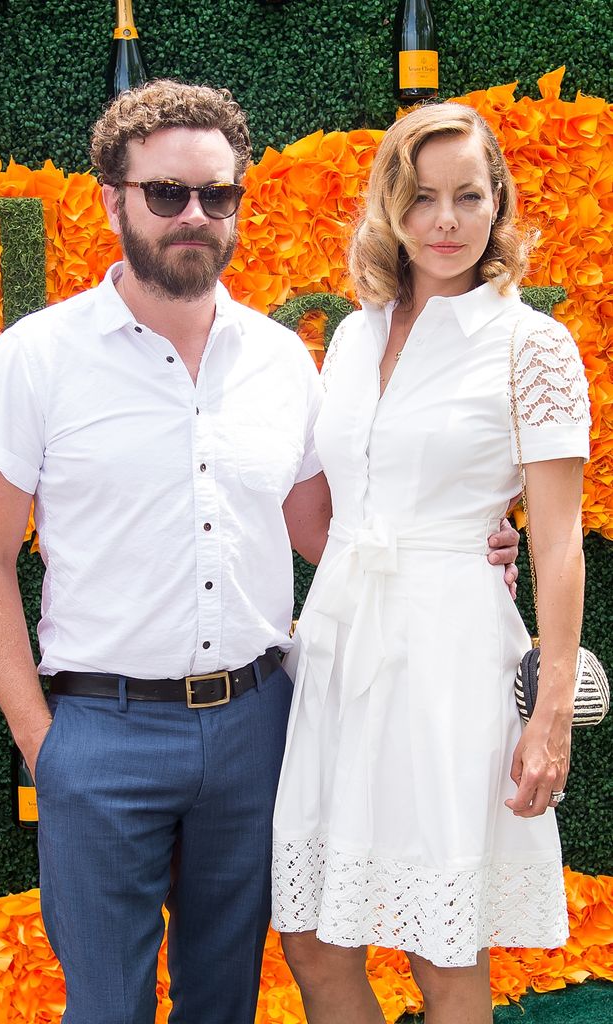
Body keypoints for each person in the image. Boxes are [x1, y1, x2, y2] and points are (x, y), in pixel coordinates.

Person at [0, 81, 519, 1024]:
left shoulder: (280, 358)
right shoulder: (35, 357)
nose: (193, 215)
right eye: (167, 193)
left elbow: (319, 528)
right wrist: (39, 740)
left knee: (226, 1003)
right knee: (107, 1007)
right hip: (99, 731)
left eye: (217, 195)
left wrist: (457, 546)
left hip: (259, 728)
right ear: (113, 200)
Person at [271, 102, 590, 1024]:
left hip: (451, 659)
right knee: (312, 939)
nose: (444, 221)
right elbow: (330, 506)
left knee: (440, 945)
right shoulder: (352, 335)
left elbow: (558, 539)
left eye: (467, 197)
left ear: (499, 207)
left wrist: (552, 713)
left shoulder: (532, 346)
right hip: (337, 650)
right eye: (421, 199)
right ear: (389, 207)